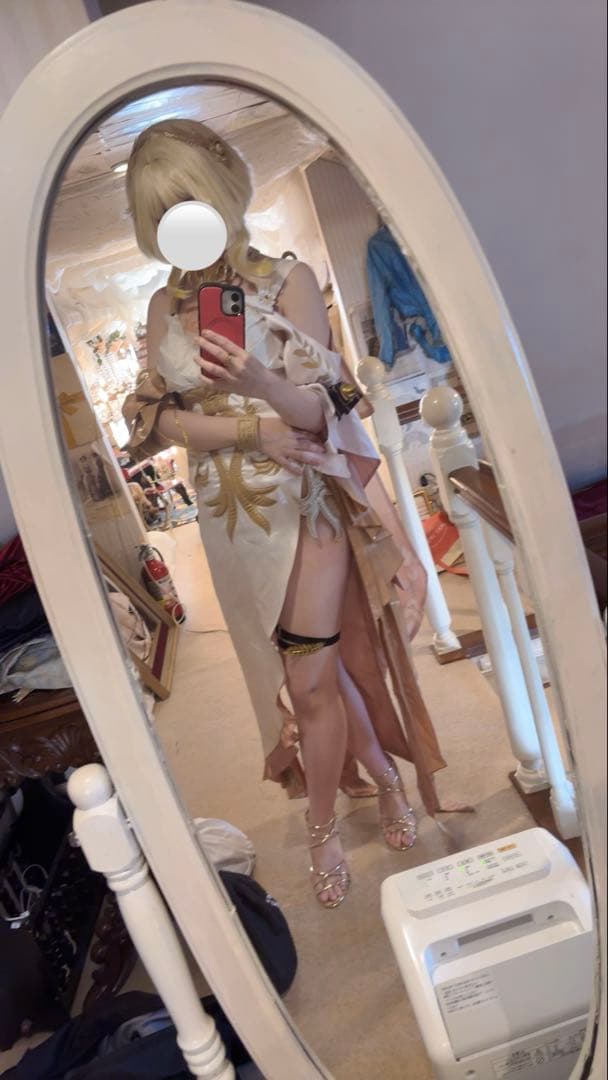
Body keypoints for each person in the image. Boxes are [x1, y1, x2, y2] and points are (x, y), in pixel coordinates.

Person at [123, 119, 452, 909]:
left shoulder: (288, 280)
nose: (177, 224)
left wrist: (261, 387)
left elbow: (326, 408)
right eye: (159, 213)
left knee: (307, 680)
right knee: (316, 673)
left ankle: (322, 827)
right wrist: (250, 429)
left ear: (223, 193)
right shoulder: (164, 306)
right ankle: (385, 780)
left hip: (303, 504)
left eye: (187, 203)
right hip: (225, 517)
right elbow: (155, 422)